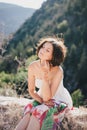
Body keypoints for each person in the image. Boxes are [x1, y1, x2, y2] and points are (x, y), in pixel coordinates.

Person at [15, 36, 73, 130]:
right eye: (43, 47)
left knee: (38, 111)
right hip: (41, 97)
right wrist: (41, 101)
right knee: (30, 108)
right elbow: (31, 90)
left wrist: (45, 74)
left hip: (57, 99)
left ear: (53, 56)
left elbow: (48, 98)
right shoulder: (33, 66)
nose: (42, 50)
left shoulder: (58, 71)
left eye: (47, 50)